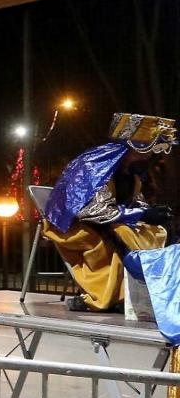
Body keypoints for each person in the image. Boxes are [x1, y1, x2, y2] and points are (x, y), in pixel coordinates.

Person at [42, 112, 174, 312]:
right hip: (74, 226)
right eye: (145, 150)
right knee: (122, 234)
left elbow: (135, 203)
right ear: (129, 149)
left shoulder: (131, 172)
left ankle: (149, 292)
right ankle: (110, 297)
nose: (149, 156)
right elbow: (92, 211)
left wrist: (153, 213)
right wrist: (140, 215)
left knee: (155, 231)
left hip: (110, 221)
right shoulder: (97, 167)